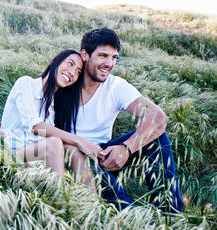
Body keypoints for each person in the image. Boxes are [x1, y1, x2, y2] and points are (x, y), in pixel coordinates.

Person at [55, 27, 184, 213]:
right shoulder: (66, 79)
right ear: (84, 55)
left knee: (158, 138)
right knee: (85, 162)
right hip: (70, 157)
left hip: (103, 155)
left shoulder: (115, 86)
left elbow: (158, 118)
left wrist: (127, 148)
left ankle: (170, 214)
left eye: (114, 57)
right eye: (102, 55)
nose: (109, 63)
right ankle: (129, 217)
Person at [0, 49, 105, 188]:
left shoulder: (52, 106)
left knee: (73, 149)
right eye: (70, 64)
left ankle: (90, 203)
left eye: (78, 71)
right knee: (54, 143)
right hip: (11, 156)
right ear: (54, 61)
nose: (72, 72)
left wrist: (77, 145)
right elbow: (34, 126)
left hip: (34, 159)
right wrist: (81, 141)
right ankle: (60, 199)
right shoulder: (26, 83)